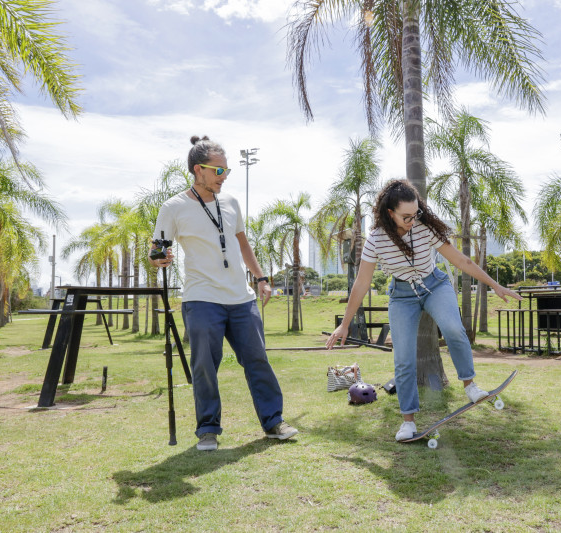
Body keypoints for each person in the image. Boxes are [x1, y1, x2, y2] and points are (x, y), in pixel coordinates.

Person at [326, 179, 523, 441]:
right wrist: (345, 323)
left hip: (435, 285)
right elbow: (361, 283)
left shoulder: (424, 227)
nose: (412, 220)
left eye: (415, 213)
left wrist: (494, 285)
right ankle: (408, 421)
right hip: (402, 296)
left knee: (453, 328)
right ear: (390, 213)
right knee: (404, 358)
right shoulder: (376, 240)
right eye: (406, 216)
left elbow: (460, 260)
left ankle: (471, 386)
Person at [150, 135, 297, 451]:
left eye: (226, 171)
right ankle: (208, 429)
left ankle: (273, 422)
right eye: (218, 171)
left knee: (258, 360)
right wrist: (158, 257)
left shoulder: (230, 203)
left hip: (241, 298)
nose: (224, 176)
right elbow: (157, 249)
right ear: (197, 170)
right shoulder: (173, 207)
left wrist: (261, 278)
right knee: (204, 365)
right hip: (201, 298)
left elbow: (243, 243)